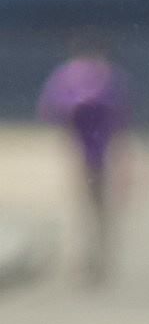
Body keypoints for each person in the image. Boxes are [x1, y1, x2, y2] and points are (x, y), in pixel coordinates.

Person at [36, 44, 131, 288]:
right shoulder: (103, 77)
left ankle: (91, 259)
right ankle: (90, 258)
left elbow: (52, 111)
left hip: (92, 152)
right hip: (86, 152)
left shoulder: (75, 77)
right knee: (91, 208)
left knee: (90, 207)